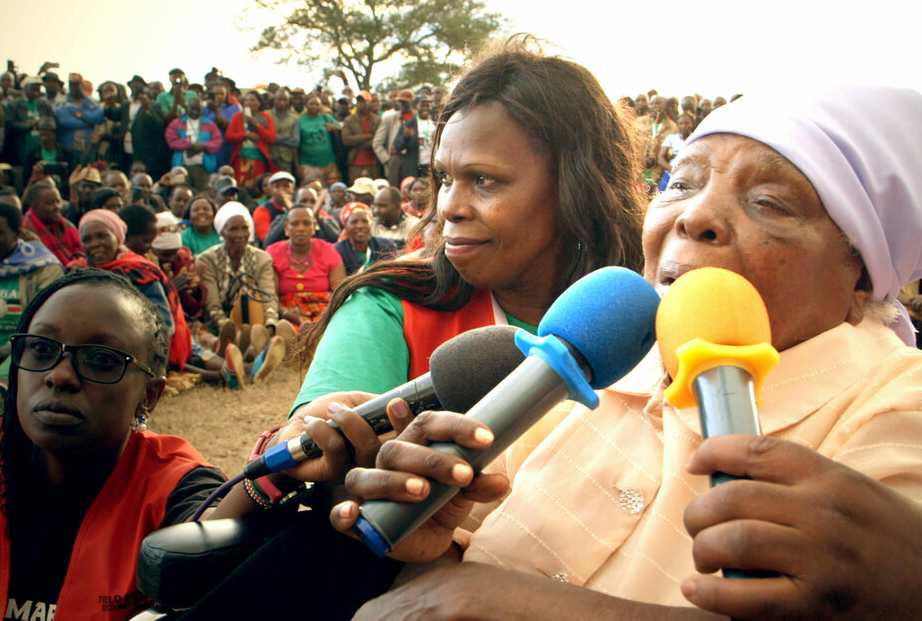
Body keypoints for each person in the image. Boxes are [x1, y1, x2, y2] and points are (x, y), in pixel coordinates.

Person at [333, 85, 922, 618]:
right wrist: (431, 547)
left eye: (768, 201)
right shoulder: (602, 366)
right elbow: (445, 573)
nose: (694, 216)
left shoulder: (899, 405)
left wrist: (520, 608)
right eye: (682, 183)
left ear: (862, 278)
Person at [174, 36, 645, 620]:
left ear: (575, 188)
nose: (449, 205)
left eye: (485, 181)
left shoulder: (643, 320)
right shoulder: (389, 307)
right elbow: (315, 459)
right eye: (444, 178)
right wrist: (339, 474)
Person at [0, 269, 229, 619]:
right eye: (41, 348)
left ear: (149, 396)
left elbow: (220, 533)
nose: (59, 375)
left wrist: (272, 478)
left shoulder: (172, 483)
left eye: (102, 359)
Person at [68, 209, 191, 371]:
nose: (95, 244)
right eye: (87, 239)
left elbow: (164, 325)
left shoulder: (139, 271)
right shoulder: (77, 273)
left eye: (101, 236)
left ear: (118, 238)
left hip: (136, 351)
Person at [0, 201, 62, 417]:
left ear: (17, 234)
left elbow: (47, 321)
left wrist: (4, 350)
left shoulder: (44, 268)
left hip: (21, 348)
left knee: (22, 363)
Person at [196, 201, 279, 333]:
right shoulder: (207, 259)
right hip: (219, 325)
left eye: (245, 228)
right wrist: (229, 329)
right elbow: (212, 304)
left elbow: (268, 295)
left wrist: (270, 325)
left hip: (256, 323)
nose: (240, 234)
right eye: (233, 229)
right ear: (222, 233)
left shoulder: (262, 259)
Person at [266, 203, 344, 326]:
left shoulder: (327, 250)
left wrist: (323, 318)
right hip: (286, 317)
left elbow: (339, 294)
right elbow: (270, 296)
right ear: (286, 228)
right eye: (295, 224)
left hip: (324, 316)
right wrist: (288, 315)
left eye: (306, 223)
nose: (301, 228)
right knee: (285, 333)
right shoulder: (273, 252)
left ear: (314, 227)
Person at [165, 97, 223, 193]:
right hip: (182, 165)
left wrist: (203, 146)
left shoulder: (209, 124)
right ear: (187, 108)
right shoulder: (177, 123)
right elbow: (171, 140)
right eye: (192, 108)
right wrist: (190, 146)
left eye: (198, 109)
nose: (195, 112)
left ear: (202, 109)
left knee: (202, 193)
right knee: (181, 192)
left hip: (203, 167)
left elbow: (217, 141)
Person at [21, 182, 82, 265]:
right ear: (35, 207)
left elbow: (82, 252)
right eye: (50, 203)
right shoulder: (26, 234)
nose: (57, 207)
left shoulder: (67, 225)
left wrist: (78, 263)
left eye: (58, 202)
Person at [225, 90, 276, 187]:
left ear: (259, 103)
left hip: (259, 158)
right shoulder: (238, 116)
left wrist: (256, 125)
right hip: (241, 158)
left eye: (253, 100)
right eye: (247, 100)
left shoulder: (265, 117)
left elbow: (271, 138)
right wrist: (245, 135)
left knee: (257, 186)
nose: (249, 103)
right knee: (241, 186)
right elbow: (229, 136)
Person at [334, 201, 398, 275]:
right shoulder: (338, 250)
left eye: (365, 221)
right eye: (354, 222)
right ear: (345, 226)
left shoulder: (386, 246)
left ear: (371, 224)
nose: (360, 226)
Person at [295, 93, 341, 186]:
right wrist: (297, 166)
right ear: (306, 105)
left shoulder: (327, 118)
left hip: (329, 164)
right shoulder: (300, 121)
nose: (315, 106)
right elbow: (295, 145)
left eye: (317, 104)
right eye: (312, 103)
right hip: (308, 165)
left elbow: (342, 130)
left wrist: (334, 127)